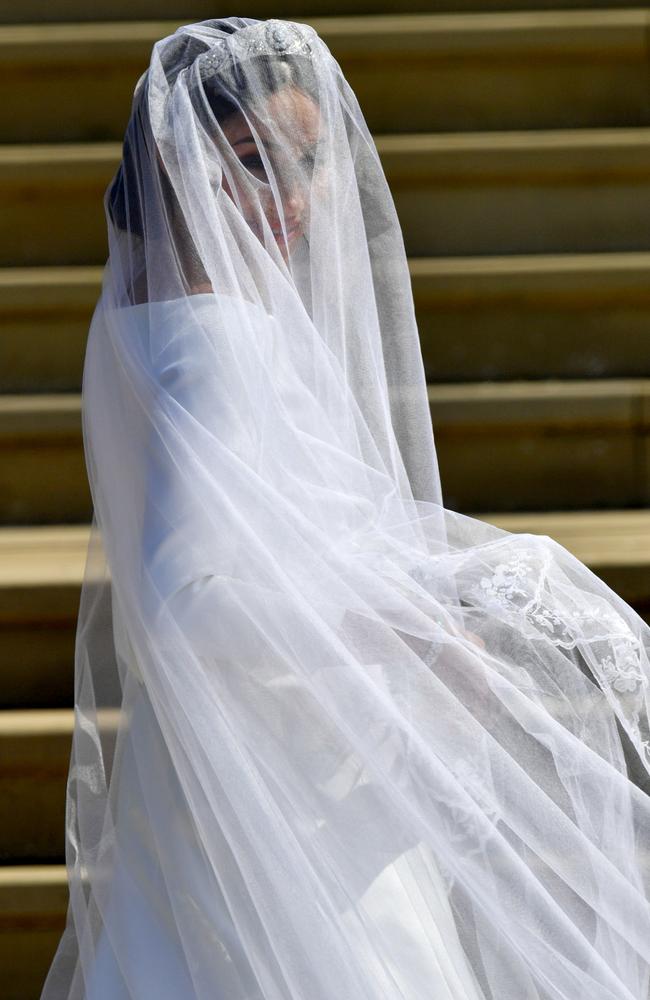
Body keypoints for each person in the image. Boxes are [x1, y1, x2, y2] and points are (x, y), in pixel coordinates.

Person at [40, 16, 650, 1000]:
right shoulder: (217, 342)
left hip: (220, 765)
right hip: (269, 781)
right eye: (251, 158)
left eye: (306, 157)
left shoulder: (141, 318)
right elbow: (188, 599)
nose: (287, 194)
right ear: (183, 163)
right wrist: (402, 630)